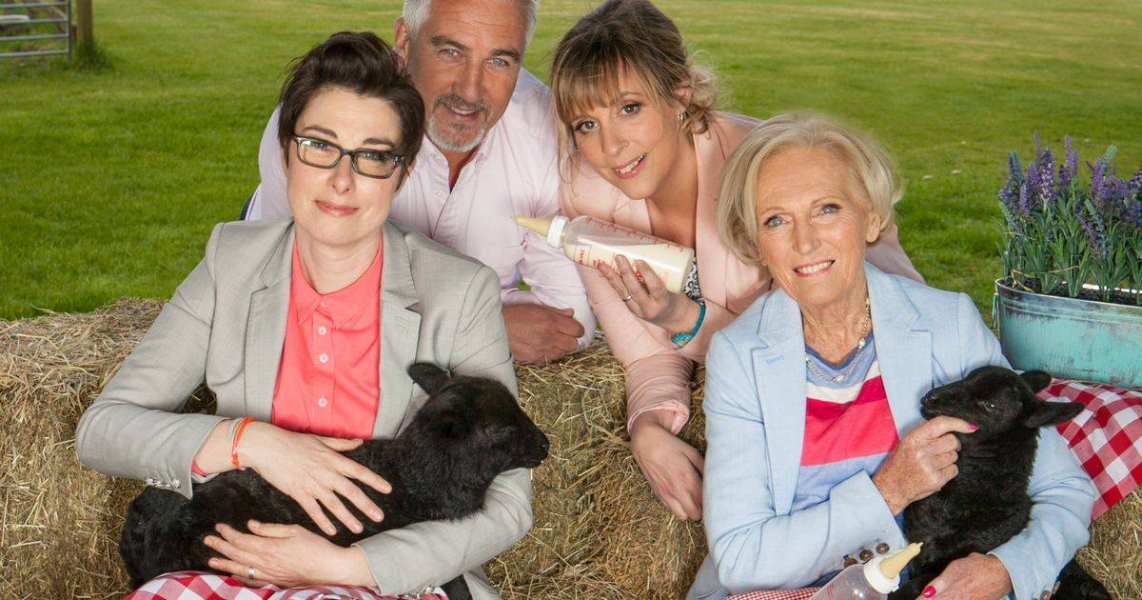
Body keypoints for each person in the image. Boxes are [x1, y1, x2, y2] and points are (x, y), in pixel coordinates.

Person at [76, 32, 530, 599]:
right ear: (285, 151)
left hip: (391, 578)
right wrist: (254, 443)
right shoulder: (232, 261)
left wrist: (352, 565)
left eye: (373, 156)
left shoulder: (460, 291)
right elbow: (103, 429)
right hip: (236, 569)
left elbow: (510, 504)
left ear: (404, 171)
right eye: (320, 145)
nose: (342, 179)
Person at [694, 113, 1095, 600]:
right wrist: (889, 491)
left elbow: (1064, 489)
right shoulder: (739, 356)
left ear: (871, 217)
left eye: (826, 209)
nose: (804, 241)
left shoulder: (947, 325)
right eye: (775, 220)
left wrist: (1005, 569)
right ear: (755, 242)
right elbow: (740, 558)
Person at [549, 0, 923, 522]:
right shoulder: (586, 197)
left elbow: (807, 353)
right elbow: (645, 355)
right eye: (586, 124)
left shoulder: (766, 170)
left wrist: (683, 318)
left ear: (679, 95)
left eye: (629, 108)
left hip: (879, 375)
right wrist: (648, 428)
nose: (610, 147)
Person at [245, 0, 595, 365]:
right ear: (404, 40)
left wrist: (387, 315)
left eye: (499, 61)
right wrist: (486, 324)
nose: (470, 91)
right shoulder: (323, 122)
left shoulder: (546, 134)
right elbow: (277, 295)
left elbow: (569, 322)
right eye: (451, 52)